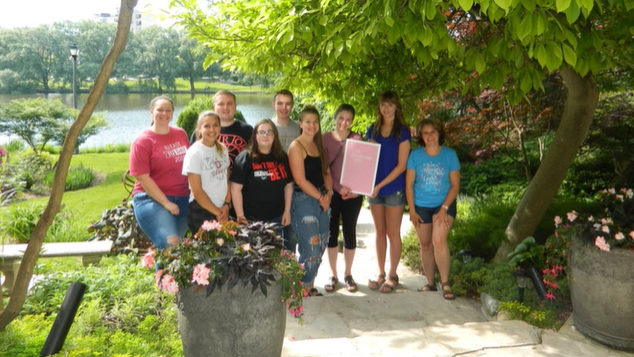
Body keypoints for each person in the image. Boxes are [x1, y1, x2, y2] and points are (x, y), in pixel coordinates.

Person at [405, 118, 460, 300]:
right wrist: (412, 210)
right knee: (426, 244)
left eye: (433, 132)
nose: (430, 136)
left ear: (439, 134)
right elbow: (409, 184)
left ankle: (445, 283)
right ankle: (430, 283)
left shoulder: (450, 155)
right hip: (421, 206)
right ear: (421, 136)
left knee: (438, 240)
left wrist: (444, 208)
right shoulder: (415, 155)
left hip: (443, 204)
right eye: (426, 132)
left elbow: (454, 186)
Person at [130, 96, 190, 250]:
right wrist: (165, 203)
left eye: (168, 110)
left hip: (183, 198)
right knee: (170, 243)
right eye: (160, 110)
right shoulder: (143, 141)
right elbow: (142, 177)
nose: (164, 113)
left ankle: (163, 275)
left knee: (171, 250)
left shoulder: (180, 134)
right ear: (151, 112)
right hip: (151, 199)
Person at [366, 91, 411, 293]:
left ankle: (393, 274)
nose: (386, 108)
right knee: (380, 232)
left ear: (396, 107)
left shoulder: (403, 132)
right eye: (383, 104)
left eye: (390, 105)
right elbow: (366, 160)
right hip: (373, 190)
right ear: (379, 107)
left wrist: (380, 184)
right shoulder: (372, 130)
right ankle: (381, 272)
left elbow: (402, 166)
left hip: (392, 189)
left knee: (393, 233)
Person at [288, 105, 332, 296]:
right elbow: (300, 180)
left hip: (323, 199)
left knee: (321, 244)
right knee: (310, 248)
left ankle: (308, 286)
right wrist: (321, 197)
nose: (312, 126)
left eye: (315, 122)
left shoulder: (320, 145)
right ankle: (299, 288)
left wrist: (328, 193)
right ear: (300, 123)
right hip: (304, 200)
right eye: (308, 122)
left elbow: (326, 173)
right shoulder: (296, 146)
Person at [322, 104, 364, 292]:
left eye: (348, 119)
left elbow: (363, 168)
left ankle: (347, 274)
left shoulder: (357, 139)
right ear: (335, 117)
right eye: (341, 118)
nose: (343, 122)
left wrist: (357, 190)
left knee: (349, 231)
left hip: (352, 195)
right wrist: (338, 188)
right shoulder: (324, 139)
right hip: (332, 192)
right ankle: (333, 275)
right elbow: (324, 168)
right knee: (331, 233)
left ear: (352, 121)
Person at [230, 119, 293, 236]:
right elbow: (235, 188)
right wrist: (240, 216)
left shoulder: (282, 157)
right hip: (251, 220)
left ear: (274, 135)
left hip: (276, 218)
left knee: (275, 252)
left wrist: (287, 211)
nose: (266, 135)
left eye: (269, 132)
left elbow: (288, 185)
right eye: (262, 132)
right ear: (255, 136)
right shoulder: (245, 158)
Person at [182, 111, 231, 233]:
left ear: (220, 127)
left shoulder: (223, 149)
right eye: (207, 126)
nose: (212, 130)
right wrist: (218, 213)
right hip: (202, 209)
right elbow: (197, 191)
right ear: (199, 129)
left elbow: (227, 179)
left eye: (215, 125)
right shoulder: (194, 153)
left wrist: (226, 204)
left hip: (222, 209)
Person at [190, 90, 253, 169]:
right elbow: (193, 161)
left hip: (239, 180)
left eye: (229, 103)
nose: (225, 107)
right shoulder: (202, 132)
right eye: (221, 104)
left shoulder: (247, 130)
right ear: (214, 106)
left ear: (235, 105)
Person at [271, 89, 300, 252]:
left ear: (292, 105)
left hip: (294, 186)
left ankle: (290, 272)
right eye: (280, 103)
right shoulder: (266, 126)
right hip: (273, 188)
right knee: (273, 235)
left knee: (291, 237)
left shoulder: (299, 128)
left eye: (288, 103)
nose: (284, 107)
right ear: (273, 105)